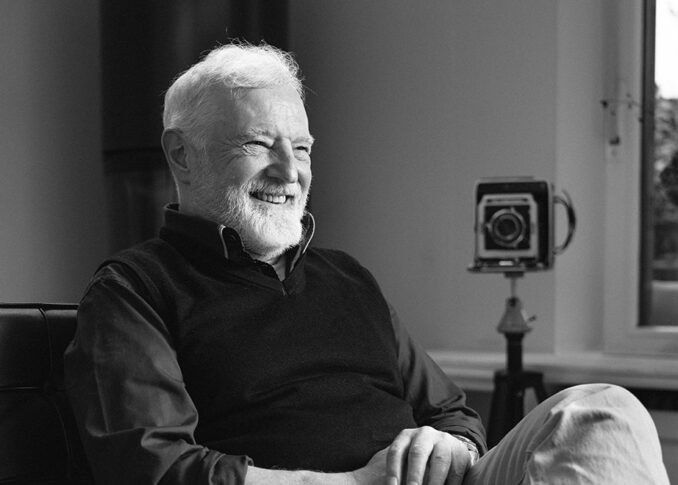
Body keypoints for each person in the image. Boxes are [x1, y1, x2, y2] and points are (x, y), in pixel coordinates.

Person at [64, 42, 669, 485]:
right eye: (258, 144)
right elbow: (154, 468)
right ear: (182, 154)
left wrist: (452, 446)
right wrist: (354, 483)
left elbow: (452, 412)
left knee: (602, 409)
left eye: (302, 149)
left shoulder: (347, 278)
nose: (290, 172)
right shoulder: (134, 290)